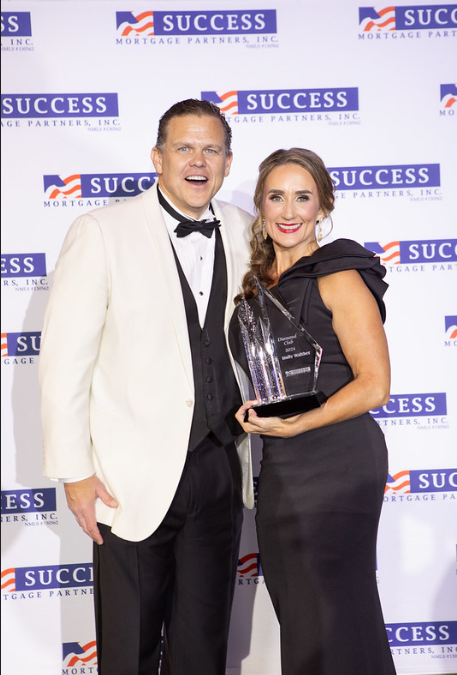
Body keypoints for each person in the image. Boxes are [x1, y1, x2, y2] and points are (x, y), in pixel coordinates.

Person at [39, 99, 255, 675]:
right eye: (184, 148)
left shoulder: (246, 229)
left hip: (220, 467)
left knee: (203, 650)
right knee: (128, 650)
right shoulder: (101, 231)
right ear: (157, 158)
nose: (198, 161)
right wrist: (75, 473)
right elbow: (63, 363)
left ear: (228, 162)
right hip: (126, 479)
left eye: (211, 150)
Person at [229, 148, 397, 675]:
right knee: (303, 615)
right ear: (260, 205)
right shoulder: (255, 285)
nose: (289, 211)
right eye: (276, 197)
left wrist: (302, 421)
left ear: (322, 206)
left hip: (338, 461)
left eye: (302, 198)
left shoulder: (338, 274)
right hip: (282, 464)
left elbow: (375, 385)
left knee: (336, 613)